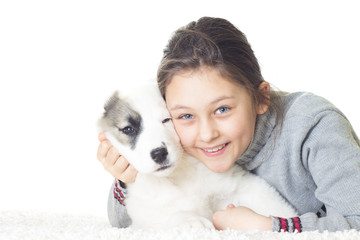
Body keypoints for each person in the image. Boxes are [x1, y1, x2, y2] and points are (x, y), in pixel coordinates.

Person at [97, 17, 360, 232]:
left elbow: (357, 222)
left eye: (222, 109)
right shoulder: (179, 143)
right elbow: (121, 222)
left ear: (261, 97)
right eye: (186, 115)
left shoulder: (313, 126)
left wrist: (268, 227)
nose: (207, 134)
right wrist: (126, 178)